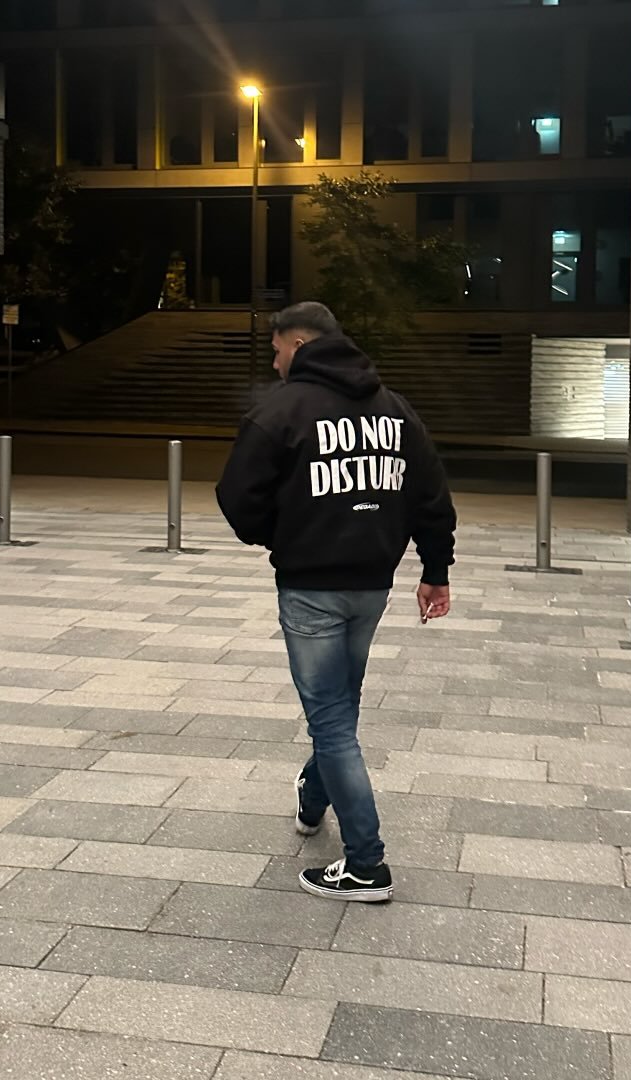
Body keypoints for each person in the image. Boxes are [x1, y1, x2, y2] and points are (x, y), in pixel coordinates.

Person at [216, 302, 456, 902]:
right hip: (372, 584)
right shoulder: (394, 409)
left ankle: (366, 865)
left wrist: (284, 535)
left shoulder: (281, 411)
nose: (274, 364)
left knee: (331, 721)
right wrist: (435, 570)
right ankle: (313, 797)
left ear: (299, 343)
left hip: (311, 588)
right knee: (339, 708)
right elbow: (431, 495)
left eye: (276, 351)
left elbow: (237, 496)